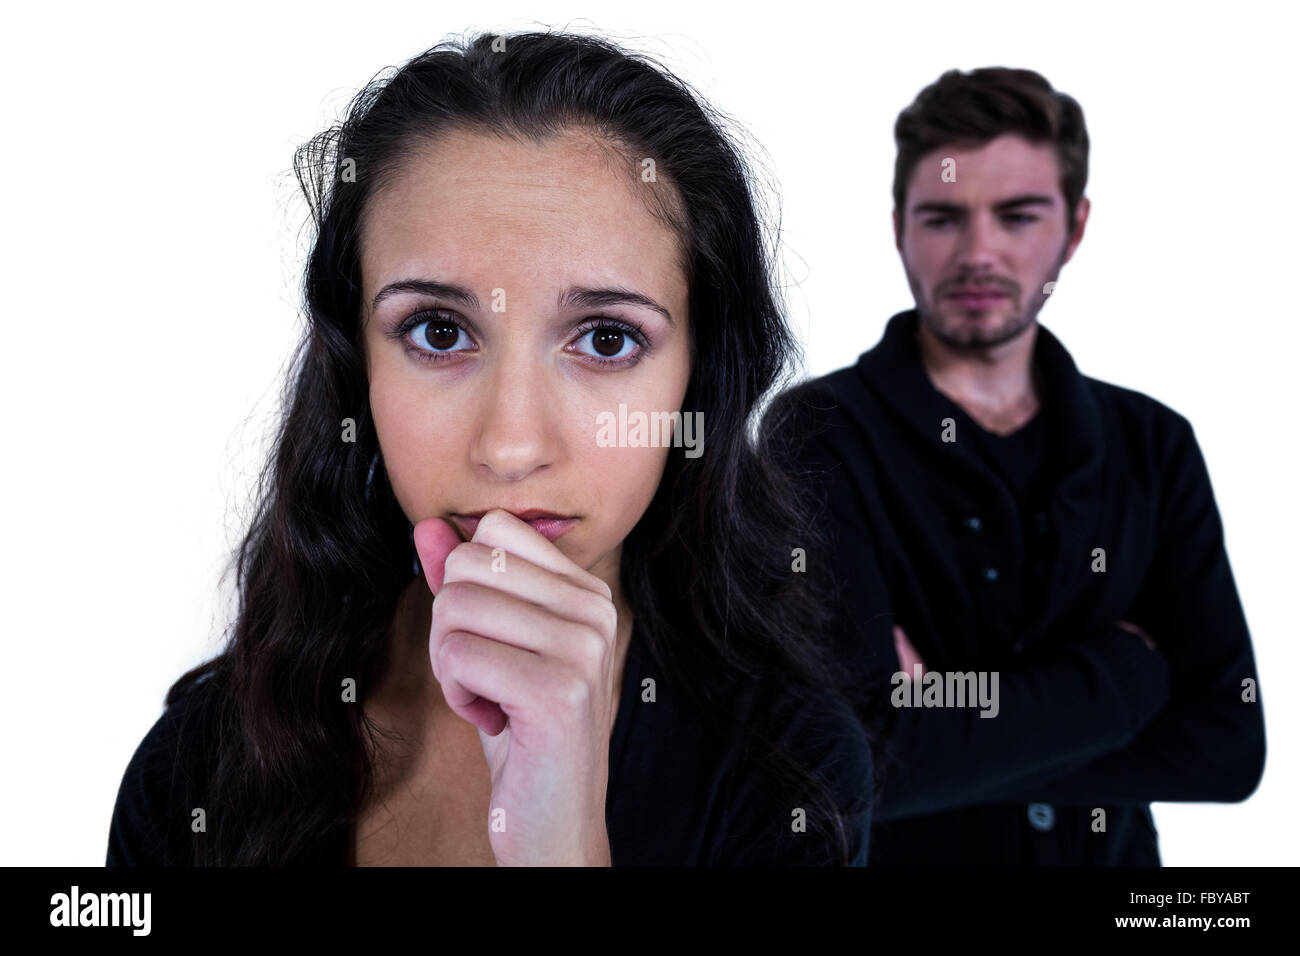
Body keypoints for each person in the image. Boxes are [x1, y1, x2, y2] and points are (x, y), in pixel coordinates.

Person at [106, 30, 872, 867]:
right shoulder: (197, 771)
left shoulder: (790, 774)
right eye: (438, 332)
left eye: (607, 340)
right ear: (358, 363)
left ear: (700, 376)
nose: (510, 448)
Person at [762, 67, 1265, 865]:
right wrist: (1127, 677)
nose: (978, 252)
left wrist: (941, 741)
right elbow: (842, 762)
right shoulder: (818, 434)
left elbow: (1230, 749)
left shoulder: (1153, 443)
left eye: (1018, 216)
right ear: (899, 228)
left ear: (1074, 228)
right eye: (943, 218)